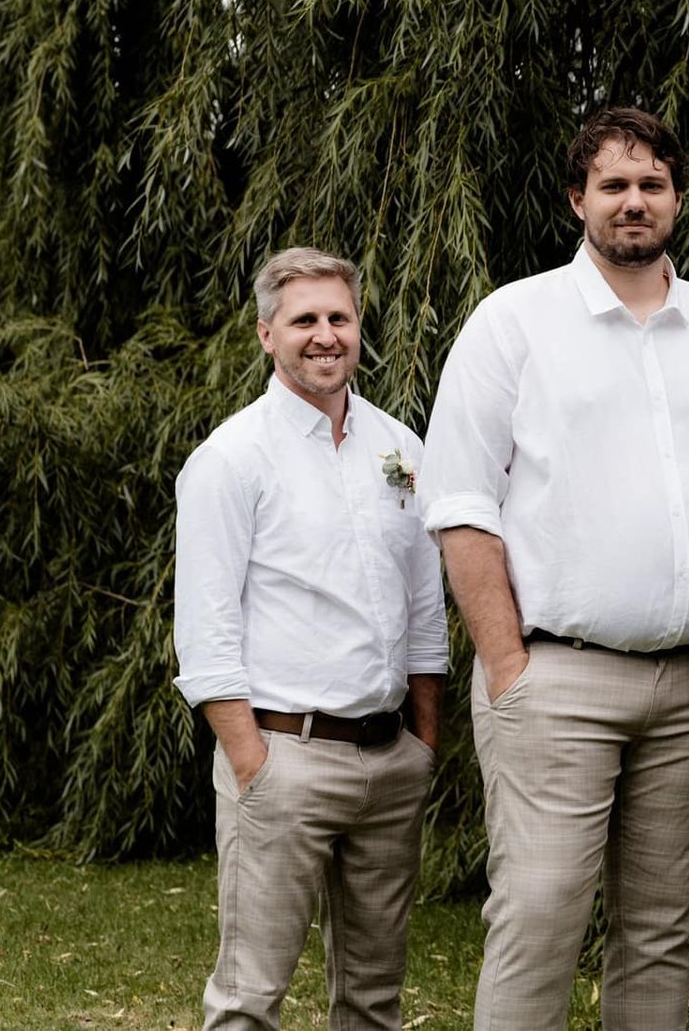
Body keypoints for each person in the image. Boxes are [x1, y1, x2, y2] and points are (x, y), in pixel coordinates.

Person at [418, 106, 689, 1030]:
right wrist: (506, 665)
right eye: (613, 184)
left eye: (651, 184)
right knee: (539, 915)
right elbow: (459, 503)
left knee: (658, 928)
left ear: (677, 199)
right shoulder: (514, 322)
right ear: (578, 199)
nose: (633, 201)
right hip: (556, 674)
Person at [173, 247, 447, 1031]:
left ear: (359, 327)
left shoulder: (401, 448)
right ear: (266, 333)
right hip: (283, 758)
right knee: (249, 998)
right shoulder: (232, 458)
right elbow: (206, 628)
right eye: (304, 320)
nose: (324, 335)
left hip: (389, 763)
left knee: (372, 998)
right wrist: (252, 762)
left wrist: (423, 743)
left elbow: (424, 608)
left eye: (339, 317)